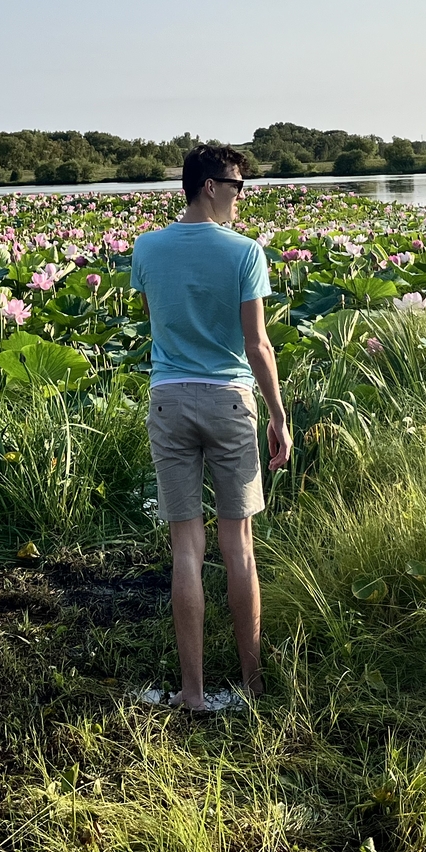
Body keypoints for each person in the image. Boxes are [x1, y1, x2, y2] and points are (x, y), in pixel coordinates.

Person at [129, 143, 292, 711]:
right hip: (229, 401)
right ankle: (252, 688)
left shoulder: (146, 248)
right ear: (208, 186)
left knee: (185, 550)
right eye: (236, 187)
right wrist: (277, 414)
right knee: (239, 547)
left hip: (169, 400)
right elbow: (257, 343)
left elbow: (160, 319)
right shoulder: (247, 254)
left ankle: (193, 694)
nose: (240, 198)